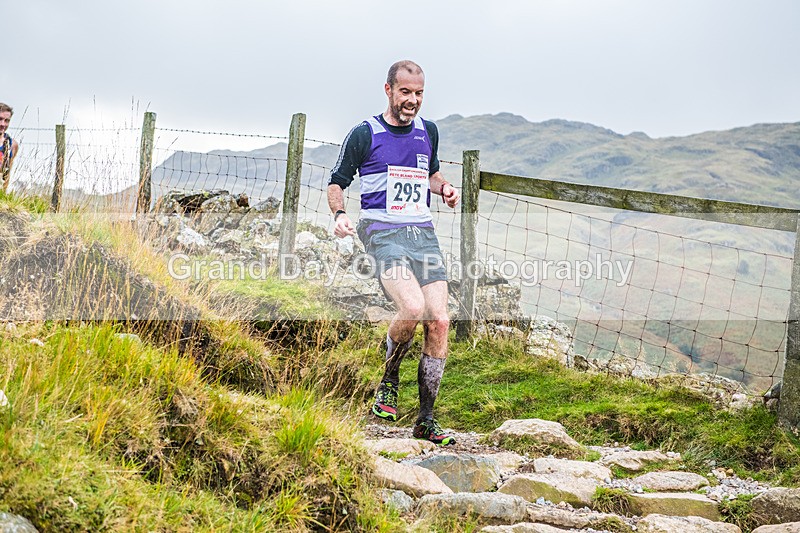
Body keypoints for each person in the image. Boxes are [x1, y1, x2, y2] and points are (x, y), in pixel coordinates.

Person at [327, 60, 460, 445]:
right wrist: (339, 214)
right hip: (382, 232)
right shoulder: (364, 134)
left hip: (423, 234)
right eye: (405, 92)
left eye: (419, 94)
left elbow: (430, 174)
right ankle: (388, 379)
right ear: (388, 90)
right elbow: (337, 182)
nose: (413, 101)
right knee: (413, 309)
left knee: (440, 321)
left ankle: (426, 419)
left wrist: (445, 189)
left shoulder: (428, 131)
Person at [0, 103, 20, 193]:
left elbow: (7, 174)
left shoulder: (12, 145)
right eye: (0, 119)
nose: (2, 124)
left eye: (6, 120)